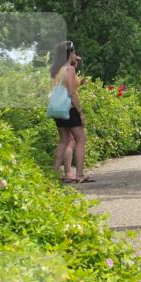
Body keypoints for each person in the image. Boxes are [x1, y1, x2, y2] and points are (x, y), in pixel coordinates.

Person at [50, 41, 91, 183]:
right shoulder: (69, 69)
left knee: (63, 140)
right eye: (73, 52)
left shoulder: (55, 70)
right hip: (69, 108)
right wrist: (80, 112)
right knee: (80, 140)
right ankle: (79, 174)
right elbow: (72, 93)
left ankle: (53, 174)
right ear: (69, 53)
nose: (75, 55)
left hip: (56, 108)